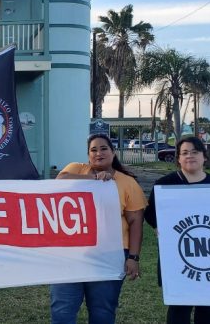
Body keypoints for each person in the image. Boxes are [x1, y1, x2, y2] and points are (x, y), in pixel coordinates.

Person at [50, 133, 146, 324]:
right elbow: (60, 180)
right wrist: (92, 178)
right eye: (93, 150)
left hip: (110, 254)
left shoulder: (127, 183)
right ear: (88, 155)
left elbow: (136, 222)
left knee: (103, 311)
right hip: (70, 254)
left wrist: (133, 258)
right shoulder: (77, 169)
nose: (98, 153)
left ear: (113, 153)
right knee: (62, 310)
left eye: (104, 148)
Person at [144, 136, 210, 324]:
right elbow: (149, 213)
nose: (190, 156)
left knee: (208, 306)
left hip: (209, 255)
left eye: (195, 152)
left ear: (204, 157)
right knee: (178, 307)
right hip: (178, 255)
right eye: (184, 153)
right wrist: (159, 227)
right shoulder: (165, 184)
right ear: (178, 159)